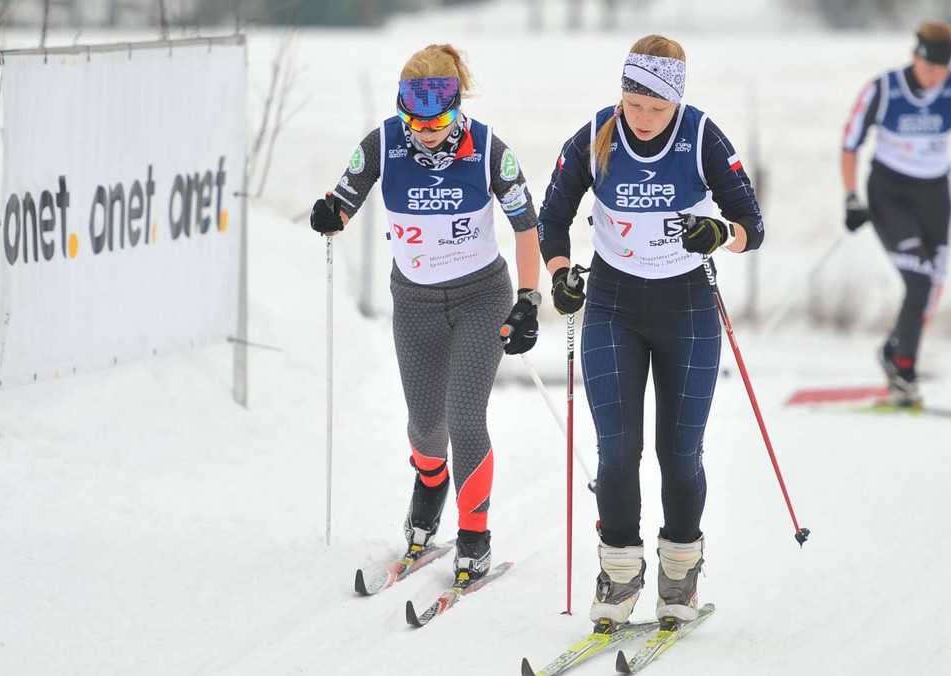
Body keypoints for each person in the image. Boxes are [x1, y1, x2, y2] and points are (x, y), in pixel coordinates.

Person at [538, 34, 764, 628]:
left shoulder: (701, 134)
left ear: (677, 103)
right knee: (616, 451)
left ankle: (680, 570)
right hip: (613, 307)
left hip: (687, 308)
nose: (641, 120)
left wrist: (720, 233)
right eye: (633, 105)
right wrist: (561, 275)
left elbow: (751, 224)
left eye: (655, 109)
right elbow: (552, 219)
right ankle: (618, 574)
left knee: (678, 453)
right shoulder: (596, 136)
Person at [309, 44, 542, 583]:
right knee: (424, 426)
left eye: (439, 121)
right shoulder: (385, 142)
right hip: (413, 302)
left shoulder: (487, 149)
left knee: (464, 418)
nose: (426, 131)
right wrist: (331, 214)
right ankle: (431, 482)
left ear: (457, 107)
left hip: (479, 298)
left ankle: (475, 534)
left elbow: (526, 228)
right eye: (415, 119)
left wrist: (528, 300)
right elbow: (343, 198)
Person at [841, 21, 951, 405]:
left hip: (935, 195)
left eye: (941, 69)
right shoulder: (884, 87)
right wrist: (851, 197)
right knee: (919, 279)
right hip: (889, 193)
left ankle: (893, 349)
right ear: (915, 56)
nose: (935, 76)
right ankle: (905, 370)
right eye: (928, 68)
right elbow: (850, 141)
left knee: (933, 287)